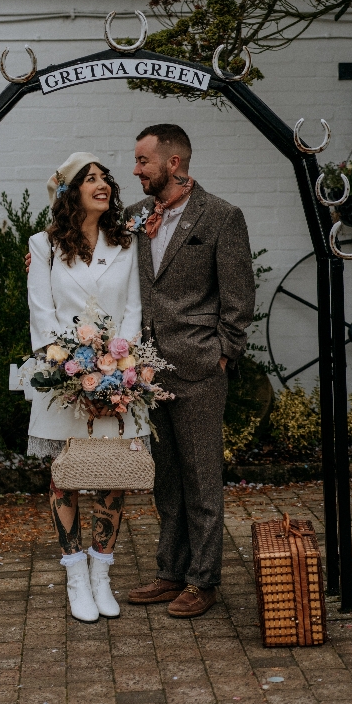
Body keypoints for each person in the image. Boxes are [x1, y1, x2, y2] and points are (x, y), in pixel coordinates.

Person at [124, 124, 255, 618]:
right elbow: (95, 254)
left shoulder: (221, 217)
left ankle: (204, 581)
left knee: (202, 478)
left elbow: (239, 296)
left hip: (199, 367)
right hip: (147, 372)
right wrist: (44, 255)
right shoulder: (137, 216)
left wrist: (224, 352)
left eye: (143, 161)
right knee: (167, 479)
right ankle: (169, 572)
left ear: (172, 164)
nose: (135, 170)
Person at [24, 151, 148, 624]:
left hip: (121, 375)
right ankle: (75, 572)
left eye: (105, 178)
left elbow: (133, 308)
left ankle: (102, 571)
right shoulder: (43, 245)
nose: (102, 184)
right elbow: (43, 313)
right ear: (70, 191)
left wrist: (120, 367)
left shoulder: (126, 242)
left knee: (116, 475)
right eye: (89, 178)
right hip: (64, 379)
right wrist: (75, 373)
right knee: (66, 476)